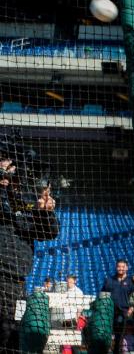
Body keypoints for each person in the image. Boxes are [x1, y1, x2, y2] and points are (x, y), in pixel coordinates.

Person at [0, 142, 60, 352]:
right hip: (1, 277)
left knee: (12, 340)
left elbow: (49, 232)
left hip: (16, 284)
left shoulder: (25, 202)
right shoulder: (7, 198)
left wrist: (45, 211)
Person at [101, 259, 134, 354]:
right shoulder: (109, 280)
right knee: (107, 334)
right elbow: (102, 294)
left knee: (119, 335)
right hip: (110, 312)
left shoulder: (131, 281)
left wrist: (132, 308)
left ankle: (117, 350)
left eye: (123, 266)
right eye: (119, 266)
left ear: (127, 268)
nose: (120, 268)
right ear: (116, 267)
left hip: (124, 312)